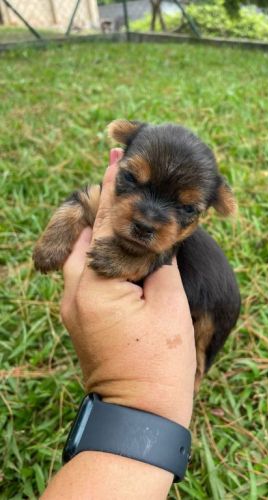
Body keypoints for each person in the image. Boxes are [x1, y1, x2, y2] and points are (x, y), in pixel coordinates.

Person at [42, 149, 197, 499]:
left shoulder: (176, 244)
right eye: (130, 179)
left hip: (207, 302)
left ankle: (197, 370)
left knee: (199, 350)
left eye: (186, 208)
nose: (147, 218)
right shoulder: (105, 193)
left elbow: (155, 259)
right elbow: (81, 200)